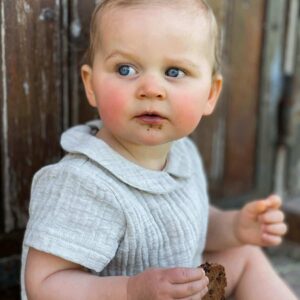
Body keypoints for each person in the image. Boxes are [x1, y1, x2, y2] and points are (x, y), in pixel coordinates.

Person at [21, 0, 297, 299]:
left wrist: (234, 227)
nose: (151, 88)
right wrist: (129, 290)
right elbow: (44, 284)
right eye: (125, 69)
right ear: (91, 85)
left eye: (175, 72)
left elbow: (188, 223)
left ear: (210, 94)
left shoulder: (182, 153)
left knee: (244, 254)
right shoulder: (81, 183)